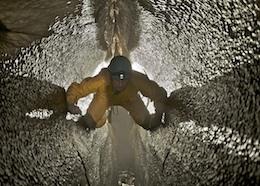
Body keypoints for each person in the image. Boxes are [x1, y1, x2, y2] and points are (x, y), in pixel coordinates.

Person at [66, 55, 168, 130]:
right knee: (89, 122)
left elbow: (158, 93)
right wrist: (70, 103)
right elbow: (80, 89)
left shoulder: (137, 80)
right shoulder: (102, 80)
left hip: (130, 99)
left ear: (130, 76)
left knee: (148, 124)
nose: (120, 84)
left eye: (124, 80)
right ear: (110, 76)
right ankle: (104, 117)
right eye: (117, 80)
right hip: (105, 98)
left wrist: (159, 113)